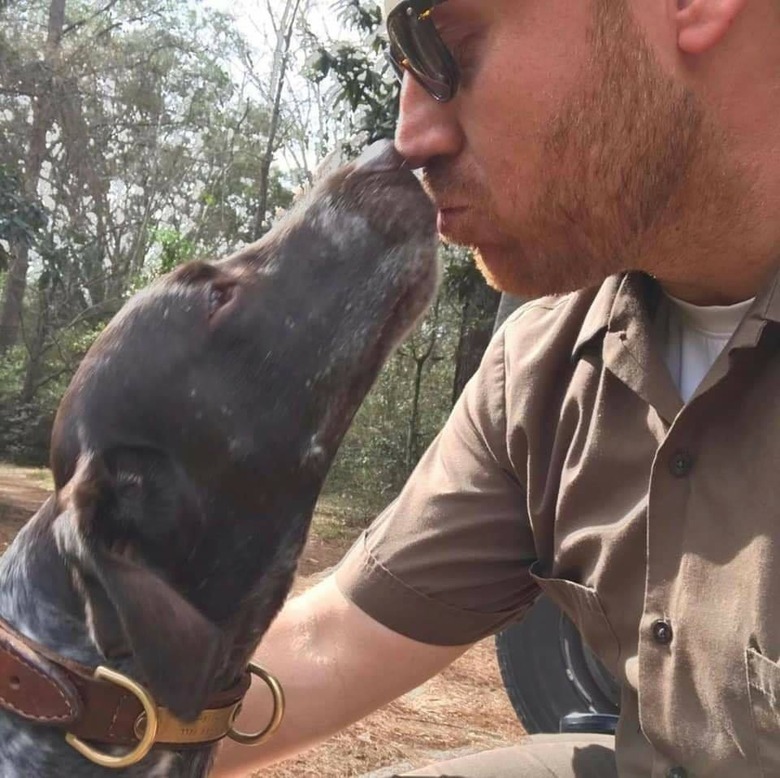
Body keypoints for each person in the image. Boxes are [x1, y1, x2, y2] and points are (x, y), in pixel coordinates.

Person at [214, 0, 780, 775]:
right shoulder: (548, 366)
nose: (410, 140)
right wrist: (66, 705)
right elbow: (330, 641)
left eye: (445, 44)